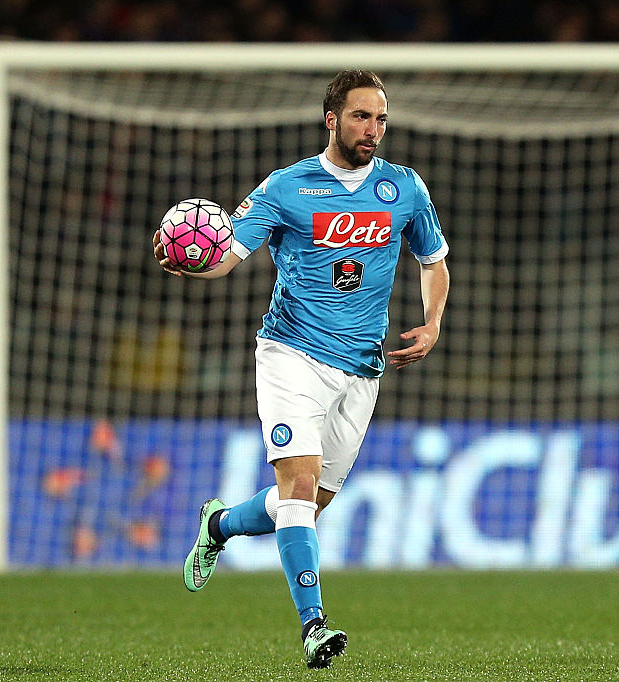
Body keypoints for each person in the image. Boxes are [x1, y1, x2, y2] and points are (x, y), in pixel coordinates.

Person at [152, 69, 450, 669]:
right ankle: (315, 626)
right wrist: (190, 263)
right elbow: (227, 256)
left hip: (363, 367)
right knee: (300, 483)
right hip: (292, 354)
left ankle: (220, 525)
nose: (373, 129)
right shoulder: (287, 187)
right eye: (361, 116)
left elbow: (433, 260)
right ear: (332, 119)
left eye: (381, 118)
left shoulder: (403, 188)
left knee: (312, 502)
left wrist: (432, 321)